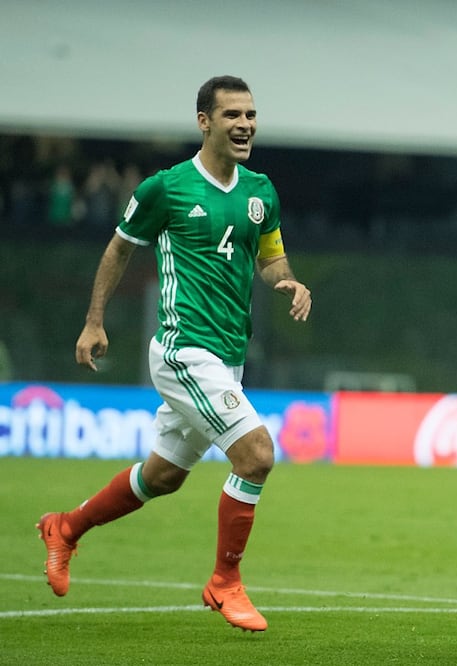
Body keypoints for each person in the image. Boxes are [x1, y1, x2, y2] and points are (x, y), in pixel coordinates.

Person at [36, 75, 312, 633]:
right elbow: (119, 247)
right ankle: (224, 582)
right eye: (232, 114)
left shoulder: (262, 192)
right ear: (204, 122)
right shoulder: (167, 188)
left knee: (162, 477)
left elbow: (271, 259)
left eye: (251, 115)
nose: (245, 124)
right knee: (256, 455)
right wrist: (94, 321)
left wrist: (290, 282)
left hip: (228, 356)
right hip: (184, 351)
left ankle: (65, 528)